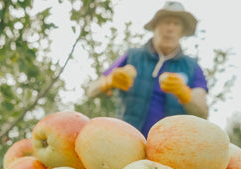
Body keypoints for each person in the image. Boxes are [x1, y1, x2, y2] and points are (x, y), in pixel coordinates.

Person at [86, 1, 209, 136]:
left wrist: (185, 93)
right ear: (155, 27)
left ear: (182, 31)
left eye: (176, 24)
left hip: (171, 144)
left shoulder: (192, 67)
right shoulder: (133, 57)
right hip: (127, 140)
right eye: (166, 22)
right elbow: (91, 91)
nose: (170, 28)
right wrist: (108, 81)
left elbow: (202, 111)